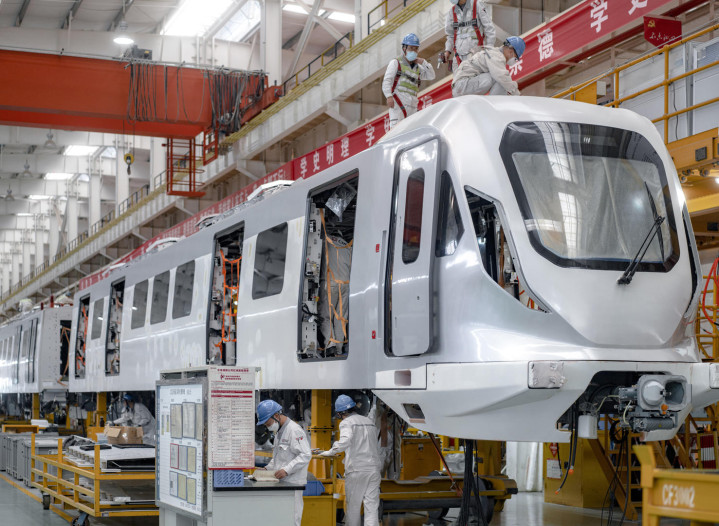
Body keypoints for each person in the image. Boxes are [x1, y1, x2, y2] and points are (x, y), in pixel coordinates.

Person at [318, 395, 382, 526]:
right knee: (371, 507)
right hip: (374, 470)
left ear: (340, 413)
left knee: (353, 507)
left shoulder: (347, 423)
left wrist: (329, 452)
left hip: (357, 470)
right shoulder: (369, 421)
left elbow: (345, 442)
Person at [256, 399, 311, 526]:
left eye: (268, 423)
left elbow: (305, 455)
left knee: (292, 519)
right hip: (282, 483)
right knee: (282, 519)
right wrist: (267, 469)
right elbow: (278, 458)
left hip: (293, 484)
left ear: (276, 415)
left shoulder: (294, 430)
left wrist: (287, 470)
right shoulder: (279, 432)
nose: (267, 427)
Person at [382, 33, 436, 129]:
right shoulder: (395, 63)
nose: (413, 51)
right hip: (398, 105)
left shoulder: (418, 68)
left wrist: (423, 62)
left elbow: (431, 76)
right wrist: (388, 96)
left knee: (411, 132)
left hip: (413, 107)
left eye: (416, 49)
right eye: (411, 48)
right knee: (397, 131)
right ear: (404, 48)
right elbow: (387, 81)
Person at [452, 36, 526, 98]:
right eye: (515, 58)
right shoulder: (497, 56)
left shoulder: (494, 53)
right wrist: (517, 94)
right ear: (511, 51)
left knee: (502, 82)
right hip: (463, 85)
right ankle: (494, 105)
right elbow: (501, 77)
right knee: (501, 81)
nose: (514, 60)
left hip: (463, 86)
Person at [443, 0, 496, 71]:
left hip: (476, 54)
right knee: (458, 78)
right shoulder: (451, 12)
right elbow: (450, 36)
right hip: (459, 57)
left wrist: (490, 49)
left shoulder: (477, 5)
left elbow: (489, 28)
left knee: (478, 76)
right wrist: (448, 51)